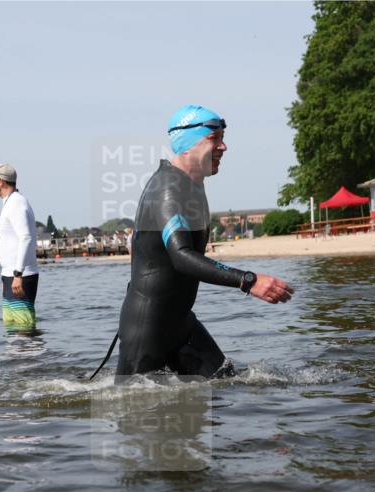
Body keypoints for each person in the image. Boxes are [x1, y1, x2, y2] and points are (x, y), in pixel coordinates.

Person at [115, 104, 293, 381]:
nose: (223, 147)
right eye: (214, 139)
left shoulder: (192, 184)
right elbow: (181, 256)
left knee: (228, 387)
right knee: (135, 405)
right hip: (148, 328)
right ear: (187, 144)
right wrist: (248, 280)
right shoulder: (168, 188)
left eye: (223, 138)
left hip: (181, 323)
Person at [0, 163, 39, 331]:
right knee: (11, 327)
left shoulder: (16, 203)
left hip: (21, 275)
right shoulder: (9, 203)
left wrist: (18, 274)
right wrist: (6, 276)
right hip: (10, 275)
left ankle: (29, 349)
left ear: (1, 181)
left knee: (23, 327)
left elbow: (26, 237)